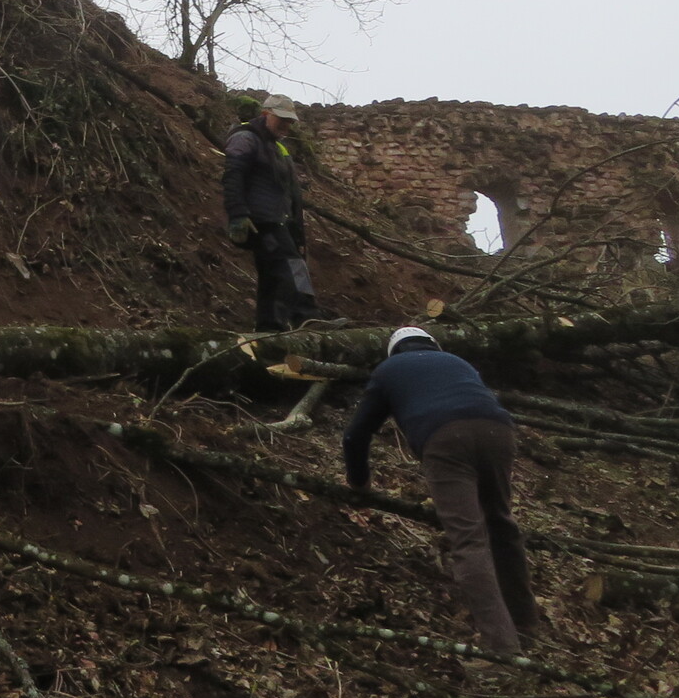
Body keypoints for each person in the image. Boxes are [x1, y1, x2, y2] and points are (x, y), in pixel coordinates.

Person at [342, 326, 541, 656]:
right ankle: (525, 624)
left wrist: (359, 484)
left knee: (468, 540)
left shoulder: (388, 370)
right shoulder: (458, 362)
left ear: (393, 350)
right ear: (433, 345)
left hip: (444, 438)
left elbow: (355, 435)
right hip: (498, 431)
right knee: (501, 525)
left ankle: (502, 650)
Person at [221, 94, 341, 329]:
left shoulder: (277, 147)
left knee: (272, 274)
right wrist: (237, 214)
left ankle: (269, 327)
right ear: (266, 114)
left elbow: (290, 192)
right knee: (293, 266)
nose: (286, 125)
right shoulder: (245, 138)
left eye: (290, 121)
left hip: (278, 220)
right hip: (260, 221)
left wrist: (297, 230)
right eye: (282, 119)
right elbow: (232, 177)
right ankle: (307, 316)